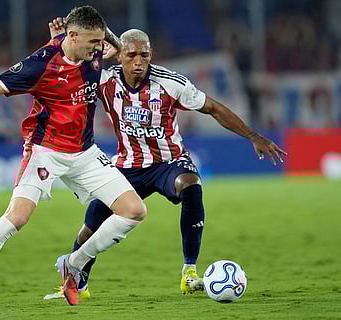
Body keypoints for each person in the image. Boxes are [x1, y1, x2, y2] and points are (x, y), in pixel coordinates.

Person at [45, 22, 287, 299]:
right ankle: (78, 281)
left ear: (152, 55)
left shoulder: (172, 83)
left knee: (191, 185)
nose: (139, 62)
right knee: (93, 222)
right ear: (119, 55)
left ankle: (189, 270)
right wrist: (57, 42)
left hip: (168, 163)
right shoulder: (104, 80)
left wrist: (254, 135)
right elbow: (64, 72)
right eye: (132, 55)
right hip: (126, 166)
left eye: (144, 56)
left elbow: (214, 108)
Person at [0, 6, 148, 308]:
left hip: (85, 152)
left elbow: (116, 48)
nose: (96, 50)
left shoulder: (94, 49)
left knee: (134, 211)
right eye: (91, 43)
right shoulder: (39, 64)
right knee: (18, 217)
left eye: (98, 42)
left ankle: (73, 264)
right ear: (72, 36)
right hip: (45, 151)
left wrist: (102, 34)